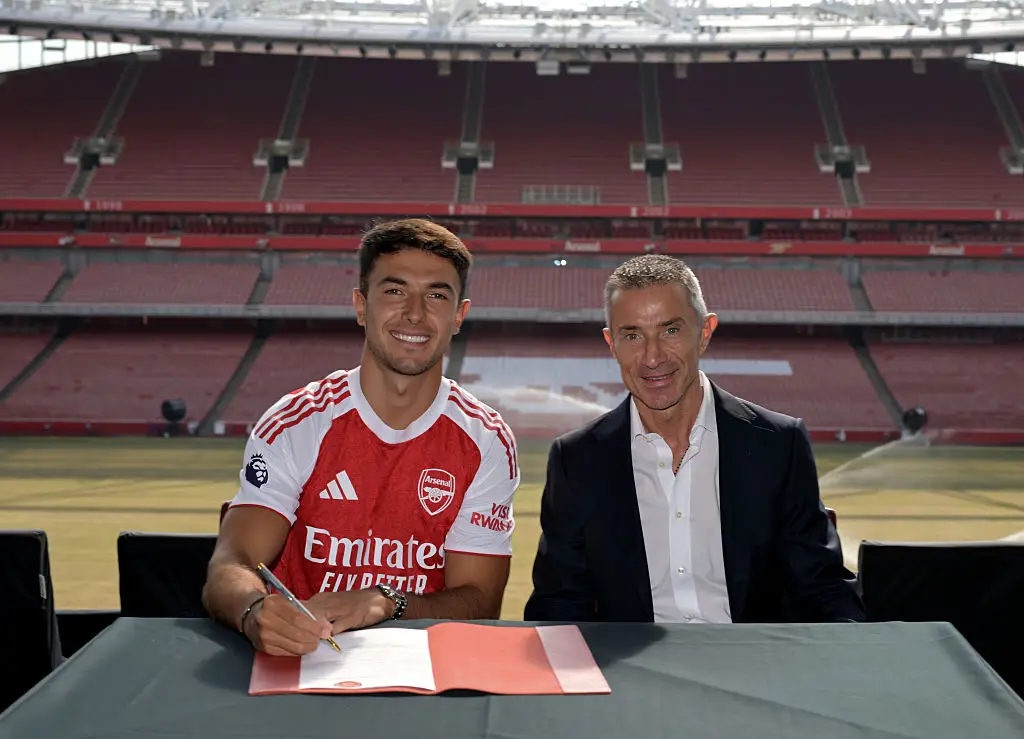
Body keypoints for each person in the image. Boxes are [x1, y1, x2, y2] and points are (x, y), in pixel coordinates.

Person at [203, 219, 520, 656]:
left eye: (436, 295)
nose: (414, 313)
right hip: (303, 659)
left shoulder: (485, 440)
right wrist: (254, 609)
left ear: (459, 315)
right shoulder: (299, 421)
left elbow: (481, 601)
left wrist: (387, 603)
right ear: (360, 305)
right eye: (394, 291)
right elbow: (230, 562)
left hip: (419, 667)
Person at [523, 254, 864, 624]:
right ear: (611, 343)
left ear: (704, 332)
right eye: (633, 335)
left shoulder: (779, 445)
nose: (652, 358)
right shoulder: (576, 460)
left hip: (753, 669)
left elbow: (821, 587)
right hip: (636, 676)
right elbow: (558, 604)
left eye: (670, 330)